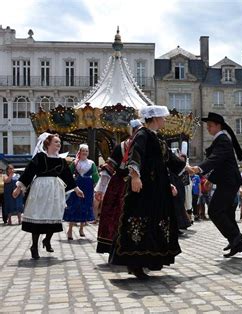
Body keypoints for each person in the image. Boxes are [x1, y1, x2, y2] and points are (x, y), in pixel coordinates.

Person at [109, 105, 185, 279]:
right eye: (163, 118)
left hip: (157, 189)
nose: (164, 120)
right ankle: (135, 263)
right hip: (144, 188)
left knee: (156, 221)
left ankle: (152, 259)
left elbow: (169, 161)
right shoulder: (142, 134)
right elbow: (135, 155)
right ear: (155, 118)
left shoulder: (157, 138)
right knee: (140, 221)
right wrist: (135, 177)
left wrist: (189, 169)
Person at [12, 133, 84, 259]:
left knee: (54, 214)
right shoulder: (40, 157)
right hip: (40, 189)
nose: (59, 144)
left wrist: (77, 189)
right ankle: (34, 246)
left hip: (55, 191)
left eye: (59, 142)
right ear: (48, 144)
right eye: (56, 142)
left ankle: (47, 239)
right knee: (38, 215)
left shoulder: (61, 161)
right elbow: (29, 172)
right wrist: (18, 188)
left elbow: (67, 176)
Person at [187, 112, 242, 258]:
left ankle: (235, 238)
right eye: (207, 125)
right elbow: (220, 164)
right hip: (227, 181)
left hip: (228, 182)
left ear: (218, 125)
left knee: (214, 211)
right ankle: (236, 241)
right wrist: (210, 179)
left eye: (210, 125)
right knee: (225, 212)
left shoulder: (223, 140)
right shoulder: (221, 139)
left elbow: (216, 159)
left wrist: (199, 169)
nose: (208, 128)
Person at [95, 119, 142, 254]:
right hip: (120, 184)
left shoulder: (142, 146)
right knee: (114, 214)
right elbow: (109, 168)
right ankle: (115, 247)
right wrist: (100, 189)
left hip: (136, 183)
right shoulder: (121, 147)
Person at [63, 144, 99, 239]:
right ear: (80, 151)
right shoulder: (75, 163)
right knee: (74, 205)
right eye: (83, 151)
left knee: (85, 205)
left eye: (87, 151)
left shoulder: (91, 163)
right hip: (77, 185)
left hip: (88, 186)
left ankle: (81, 228)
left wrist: (98, 187)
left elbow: (96, 176)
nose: (85, 153)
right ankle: (70, 230)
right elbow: (68, 174)